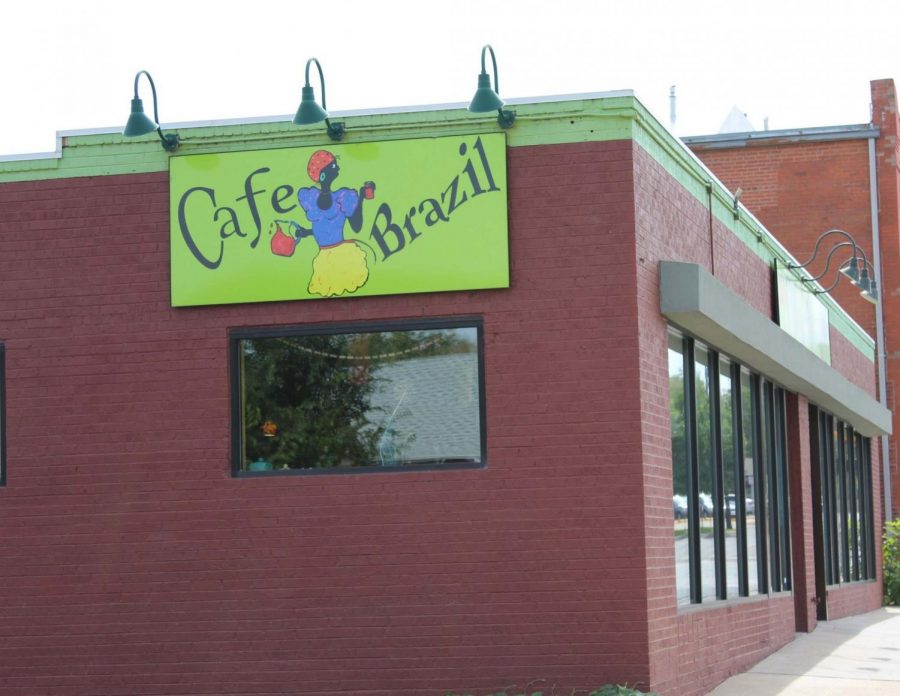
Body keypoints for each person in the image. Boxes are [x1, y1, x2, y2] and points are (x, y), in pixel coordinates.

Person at [296, 150, 375, 297]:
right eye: (333, 166)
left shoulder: (343, 197)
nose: (338, 168)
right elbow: (323, 226)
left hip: (341, 255)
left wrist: (362, 198)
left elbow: (356, 227)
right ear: (323, 174)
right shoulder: (311, 197)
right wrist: (305, 232)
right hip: (323, 257)